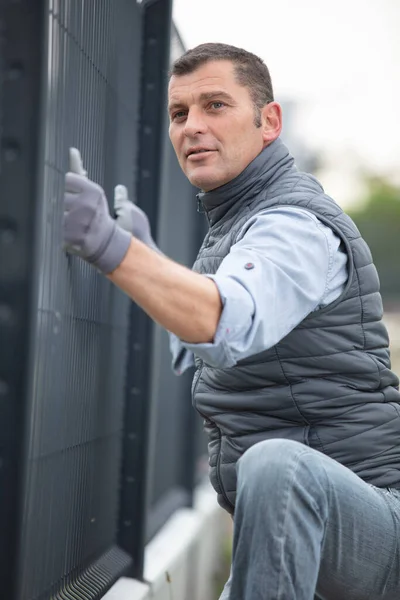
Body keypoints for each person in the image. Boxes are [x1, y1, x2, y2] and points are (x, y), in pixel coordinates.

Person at [63, 43, 400, 600]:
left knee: (276, 466)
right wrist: (149, 262)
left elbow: (227, 323)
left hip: (370, 534)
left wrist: (113, 248)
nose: (193, 126)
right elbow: (197, 340)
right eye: (179, 113)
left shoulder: (294, 225)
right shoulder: (236, 222)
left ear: (269, 122)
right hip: (294, 537)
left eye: (215, 105)